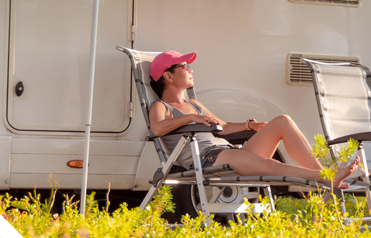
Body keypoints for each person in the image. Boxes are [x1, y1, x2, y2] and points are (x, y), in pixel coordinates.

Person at [147, 50, 356, 190]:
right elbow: (157, 129)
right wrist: (191, 119)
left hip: (229, 154)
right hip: (208, 159)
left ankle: (323, 173)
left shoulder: (194, 104)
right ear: (168, 76)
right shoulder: (162, 107)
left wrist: (249, 125)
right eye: (184, 67)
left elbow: (224, 127)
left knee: (283, 120)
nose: (190, 70)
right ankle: (324, 178)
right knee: (268, 165)